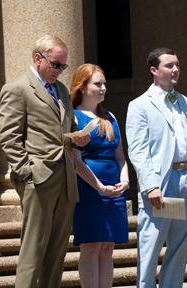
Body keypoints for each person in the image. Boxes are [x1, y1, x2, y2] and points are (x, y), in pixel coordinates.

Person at [0, 34, 89, 288]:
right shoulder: (17, 89)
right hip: (38, 178)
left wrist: (76, 139)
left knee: (57, 251)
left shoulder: (60, 90)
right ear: (38, 58)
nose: (60, 71)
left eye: (63, 66)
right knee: (33, 251)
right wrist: (27, 172)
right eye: (56, 65)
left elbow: (63, 130)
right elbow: (9, 137)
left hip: (65, 178)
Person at [126, 47, 187, 288]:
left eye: (177, 65)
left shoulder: (186, 102)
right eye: (169, 65)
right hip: (162, 183)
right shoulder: (140, 105)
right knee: (151, 247)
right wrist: (150, 185)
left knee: (179, 248)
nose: (175, 70)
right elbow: (138, 150)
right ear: (154, 70)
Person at [70, 64, 129, 288]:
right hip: (89, 188)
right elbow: (76, 162)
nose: (103, 88)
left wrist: (125, 180)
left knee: (107, 247)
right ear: (82, 87)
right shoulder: (74, 117)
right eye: (97, 83)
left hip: (114, 188)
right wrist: (98, 187)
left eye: (104, 83)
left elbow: (121, 157)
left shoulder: (110, 116)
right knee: (91, 246)